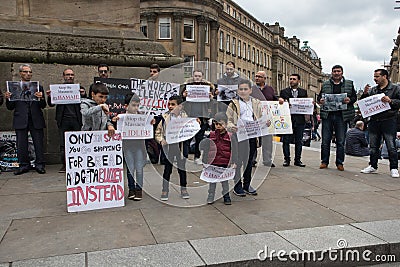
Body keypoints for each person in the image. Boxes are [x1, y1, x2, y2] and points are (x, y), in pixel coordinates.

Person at [5, 64, 47, 175]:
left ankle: (40, 164)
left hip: (35, 118)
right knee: (21, 143)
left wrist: (41, 97)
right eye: (25, 72)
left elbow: (43, 105)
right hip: (21, 118)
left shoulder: (38, 87)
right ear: (20, 73)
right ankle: (23, 165)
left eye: (30, 72)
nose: (28, 74)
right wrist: (8, 98)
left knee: (38, 142)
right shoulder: (14, 87)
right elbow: (10, 107)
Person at [227, 80, 267, 196]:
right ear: (238, 91)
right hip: (239, 135)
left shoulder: (256, 103)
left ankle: (247, 184)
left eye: (245, 89)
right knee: (238, 161)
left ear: (250, 90)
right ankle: (237, 185)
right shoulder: (233, 103)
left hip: (252, 135)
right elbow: (228, 119)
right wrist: (231, 126)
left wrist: (266, 122)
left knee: (249, 161)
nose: (243, 91)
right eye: (241, 89)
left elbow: (261, 117)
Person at [360, 69, 400, 178]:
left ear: (385, 76)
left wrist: (391, 101)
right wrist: (364, 94)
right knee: (373, 146)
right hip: (374, 120)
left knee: (391, 146)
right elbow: (364, 104)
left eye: (377, 76)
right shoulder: (373, 90)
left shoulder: (395, 88)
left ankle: (394, 168)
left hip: (389, 120)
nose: (375, 79)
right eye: (374, 76)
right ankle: (373, 165)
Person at [113, 93, 153, 201]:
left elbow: (149, 126)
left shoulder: (142, 117)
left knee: (139, 169)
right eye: (133, 105)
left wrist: (151, 122)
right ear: (126, 106)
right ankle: (131, 189)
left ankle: (139, 189)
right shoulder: (121, 117)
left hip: (139, 147)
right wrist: (115, 121)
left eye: (137, 105)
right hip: (127, 147)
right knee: (130, 169)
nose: (136, 108)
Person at [46, 68, 87, 173]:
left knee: (78, 143)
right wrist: (50, 96)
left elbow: (86, 102)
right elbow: (51, 104)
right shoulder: (58, 89)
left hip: (77, 120)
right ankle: (65, 165)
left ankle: (79, 163)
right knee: (63, 144)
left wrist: (84, 94)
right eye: (68, 75)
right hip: (63, 120)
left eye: (72, 74)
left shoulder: (79, 88)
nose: (70, 76)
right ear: (63, 76)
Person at [317, 65, 357, 171]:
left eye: (338, 71)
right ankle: (324, 161)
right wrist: (320, 100)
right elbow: (319, 97)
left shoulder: (349, 83)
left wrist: (350, 100)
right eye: (334, 71)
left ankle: (340, 163)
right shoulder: (325, 84)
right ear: (332, 73)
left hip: (341, 116)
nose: (336, 73)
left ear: (342, 73)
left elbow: (354, 97)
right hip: (328, 115)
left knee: (340, 141)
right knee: (325, 140)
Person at [155, 95, 189, 201]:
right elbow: (158, 132)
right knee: (167, 170)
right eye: (169, 104)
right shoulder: (164, 117)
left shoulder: (186, 118)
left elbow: (191, 130)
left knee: (182, 169)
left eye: (173, 104)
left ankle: (184, 189)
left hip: (181, 146)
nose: (170, 106)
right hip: (169, 147)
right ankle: (165, 190)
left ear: (180, 106)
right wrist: (161, 140)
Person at [181, 69, 217, 163]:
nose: (197, 77)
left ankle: (197, 156)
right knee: (187, 137)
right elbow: (180, 101)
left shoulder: (207, 88)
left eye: (199, 76)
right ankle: (184, 156)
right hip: (189, 115)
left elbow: (212, 104)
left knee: (199, 137)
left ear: (202, 77)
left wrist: (211, 98)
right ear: (193, 76)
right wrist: (183, 95)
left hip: (202, 116)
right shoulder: (187, 87)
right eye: (195, 76)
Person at [200, 112, 237, 205]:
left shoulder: (231, 136)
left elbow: (235, 150)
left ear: (226, 124)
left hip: (225, 162)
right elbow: (206, 149)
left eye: (221, 124)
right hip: (213, 162)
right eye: (216, 124)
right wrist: (204, 161)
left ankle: (226, 196)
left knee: (225, 181)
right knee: (212, 182)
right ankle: (211, 195)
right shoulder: (211, 135)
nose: (218, 126)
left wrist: (234, 162)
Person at [278, 74, 308, 167]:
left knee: (299, 141)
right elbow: (280, 102)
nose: (291, 80)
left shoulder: (303, 92)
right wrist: (281, 100)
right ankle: (286, 159)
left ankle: (297, 160)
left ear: (298, 81)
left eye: (294, 79)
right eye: (290, 79)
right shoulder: (284, 91)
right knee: (286, 140)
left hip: (300, 119)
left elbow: (306, 104)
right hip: (288, 119)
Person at [250, 70, 277, 167]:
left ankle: (267, 160)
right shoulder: (251, 89)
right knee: (253, 139)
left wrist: (281, 101)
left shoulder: (270, 89)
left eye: (259, 77)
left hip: (267, 120)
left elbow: (274, 101)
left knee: (267, 140)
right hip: (254, 118)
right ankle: (252, 160)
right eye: (256, 76)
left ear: (264, 78)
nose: (257, 78)